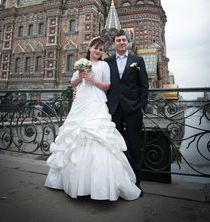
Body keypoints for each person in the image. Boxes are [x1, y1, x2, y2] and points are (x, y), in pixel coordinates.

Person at [45, 36, 141, 201]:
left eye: (100, 49)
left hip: (96, 102)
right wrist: (81, 77)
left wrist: (92, 79)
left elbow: (107, 85)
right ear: (90, 48)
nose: (97, 51)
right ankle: (75, 182)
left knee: (98, 138)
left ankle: (99, 186)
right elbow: (72, 83)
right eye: (95, 48)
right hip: (81, 102)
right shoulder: (81, 62)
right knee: (75, 138)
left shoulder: (104, 65)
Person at [105, 30, 149, 195]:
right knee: (115, 146)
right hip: (114, 109)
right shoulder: (108, 61)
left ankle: (136, 182)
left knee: (134, 145)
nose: (121, 42)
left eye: (124, 40)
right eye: (118, 40)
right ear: (114, 43)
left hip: (133, 109)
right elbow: (103, 81)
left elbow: (144, 85)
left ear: (127, 42)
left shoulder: (137, 60)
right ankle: (117, 181)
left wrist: (141, 106)